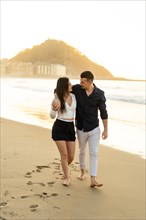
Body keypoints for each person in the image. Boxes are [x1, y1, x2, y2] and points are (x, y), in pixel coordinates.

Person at [52, 71, 108, 188]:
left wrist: (106, 129)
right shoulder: (77, 89)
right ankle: (75, 174)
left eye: (82, 82)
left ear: (90, 82)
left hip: (90, 127)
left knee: (89, 153)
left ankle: (92, 178)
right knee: (77, 152)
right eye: (79, 81)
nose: (79, 83)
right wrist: (55, 102)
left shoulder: (98, 94)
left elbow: (103, 112)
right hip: (76, 127)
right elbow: (59, 90)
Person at [50, 77, 76, 186]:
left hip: (70, 127)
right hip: (59, 126)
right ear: (64, 86)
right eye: (69, 84)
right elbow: (51, 116)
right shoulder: (57, 98)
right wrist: (54, 108)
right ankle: (66, 178)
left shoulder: (74, 96)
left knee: (71, 156)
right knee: (64, 155)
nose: (71, 86)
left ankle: (64, 167)